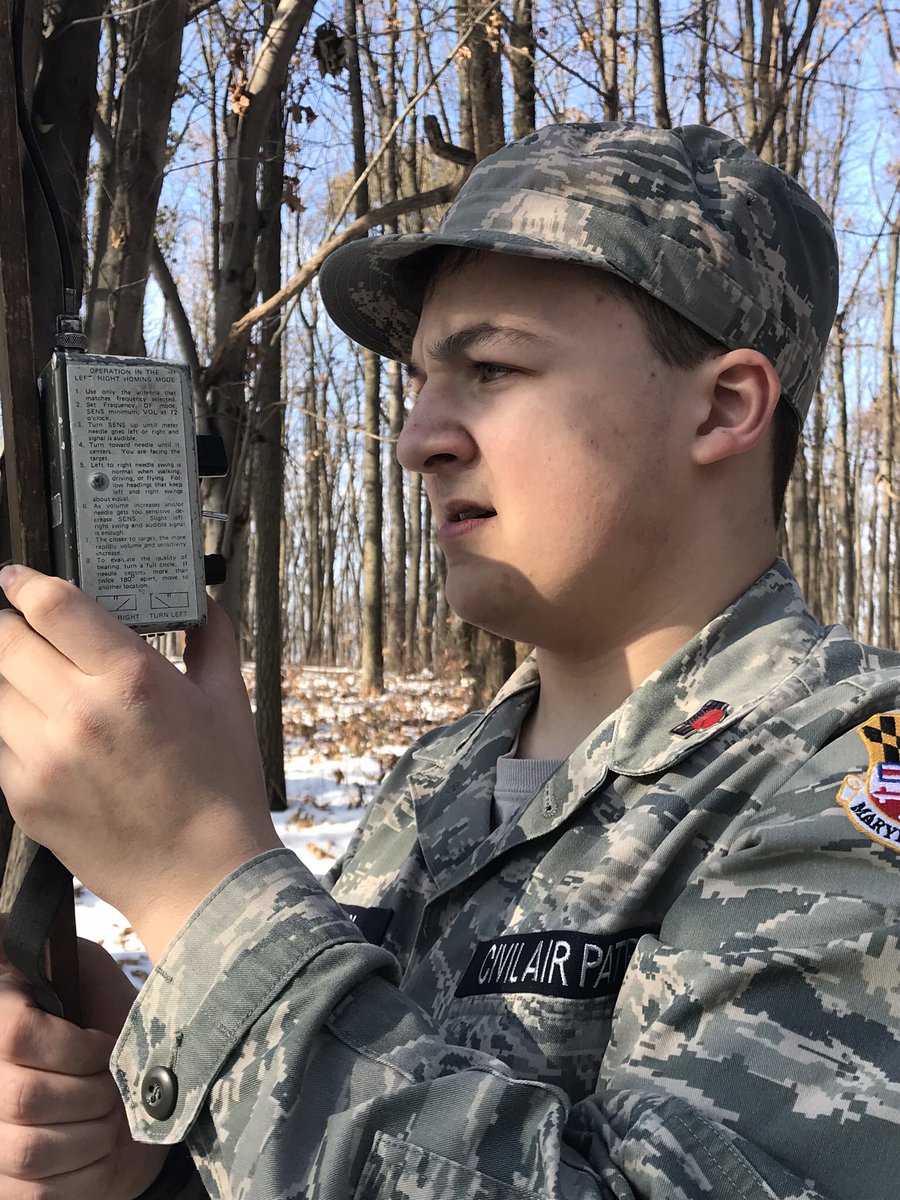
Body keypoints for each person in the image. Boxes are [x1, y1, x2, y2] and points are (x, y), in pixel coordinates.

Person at [0, 121, 897, 1200]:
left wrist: (201, 886)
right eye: (422, 382)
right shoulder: (437, 784)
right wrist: (148, 1150)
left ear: (723, 406)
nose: (418, 437)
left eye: (491, 367)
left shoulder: (841, 786)